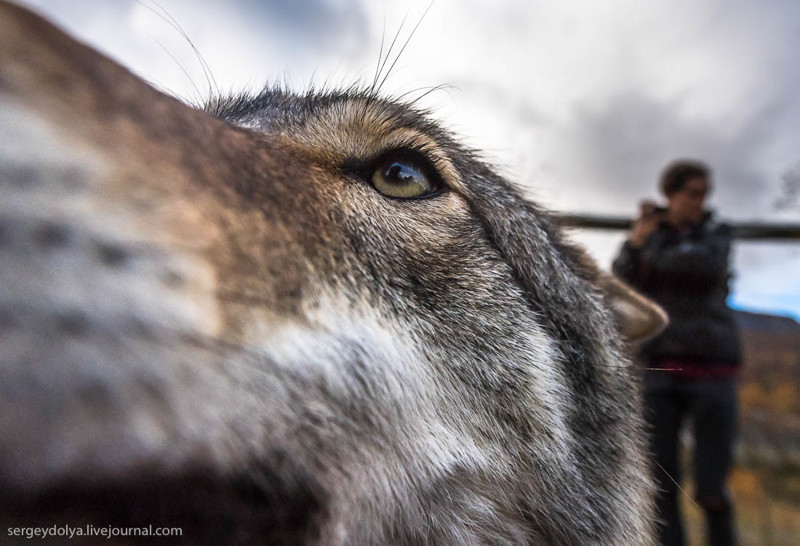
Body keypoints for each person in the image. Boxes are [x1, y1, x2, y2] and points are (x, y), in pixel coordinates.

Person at [613, 160, 742, 546]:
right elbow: (621, 286)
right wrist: (638, 241)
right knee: (663, 485)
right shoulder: (646, 237)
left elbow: (705, 268)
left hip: (713, 371)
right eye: (692, 194)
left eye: (704, 194)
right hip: (660, 371)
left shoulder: (717, 232)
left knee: (712, 488)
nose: (700, 202)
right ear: (671, 194)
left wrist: (655, 249)